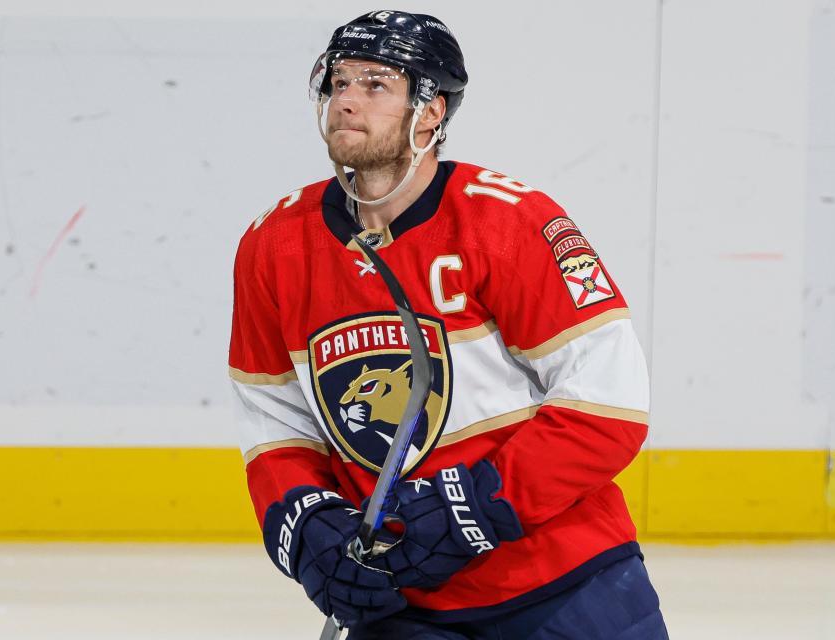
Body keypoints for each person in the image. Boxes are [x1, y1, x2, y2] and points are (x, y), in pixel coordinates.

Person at [229, 10, 669, 639]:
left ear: (431, 112)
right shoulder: (274, 244)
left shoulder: (511, 224)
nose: (347, 100)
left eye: (375, 84)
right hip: (403, 600)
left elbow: (609, 406)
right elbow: (275, 423)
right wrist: (306, 525)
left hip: (567, 583)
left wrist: (478, 505)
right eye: (339, 82)